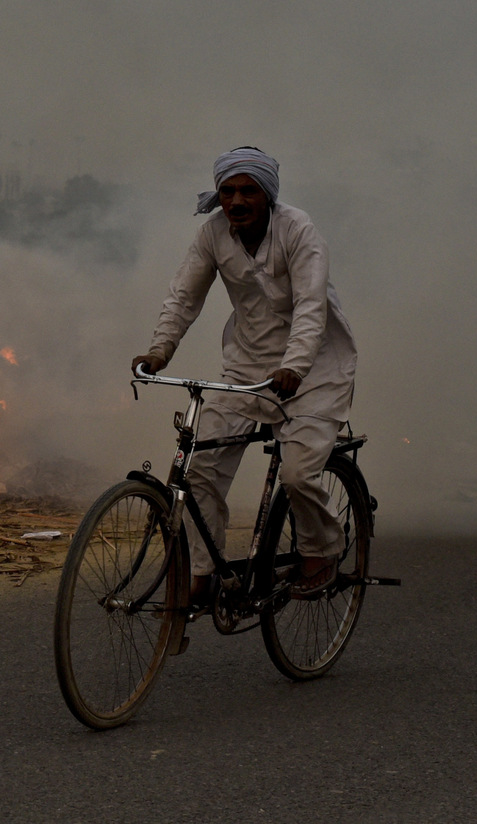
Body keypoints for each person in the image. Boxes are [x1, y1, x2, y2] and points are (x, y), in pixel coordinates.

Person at [132, 147, 358, 601]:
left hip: (314, 369)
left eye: (247, 190)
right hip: (246, 367)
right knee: (200, 470)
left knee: (297, 475)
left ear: (268, 195)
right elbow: (183, 297)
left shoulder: (298, 230)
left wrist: (295, 365)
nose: (236, 201)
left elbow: (312, 306)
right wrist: (160, 350)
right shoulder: (212, 233)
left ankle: (322, 551)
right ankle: (203, 575)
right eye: (228, 190)